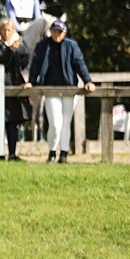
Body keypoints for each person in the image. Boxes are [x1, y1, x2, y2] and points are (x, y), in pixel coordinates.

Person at [26, 19, 95, 163]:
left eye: (60, 31)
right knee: (55, 123)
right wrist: (31, 82)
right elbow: (35, 65)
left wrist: (87, 80)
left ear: (65, 33)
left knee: (66, 122)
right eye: (54, 31)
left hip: (69, 89)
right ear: (50, 32)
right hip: (50, 89)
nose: (57, 34)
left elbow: (79, 64)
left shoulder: (71, 46)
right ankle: (52, 151)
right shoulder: (43, 46)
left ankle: (63, 154)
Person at [0, 18, 31, 161]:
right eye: (4, 30)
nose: (7, 33)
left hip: (15, 87)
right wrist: (10, 50)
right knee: (0, 123)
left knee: (13, 123)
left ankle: (12, 154)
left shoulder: (20, 45)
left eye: (9, 30)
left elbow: (26, 60)